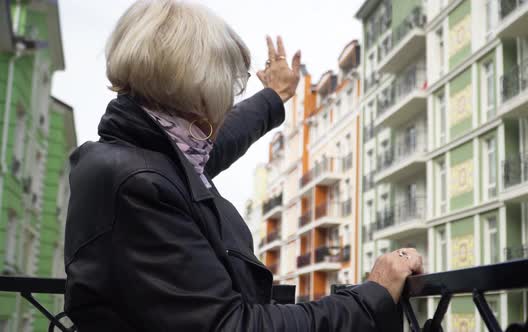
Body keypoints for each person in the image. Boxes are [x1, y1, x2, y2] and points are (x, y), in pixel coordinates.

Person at [64, 1, 424, 331]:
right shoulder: (140, 184)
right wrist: (370, 297)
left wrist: (274, 97)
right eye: (223, 91)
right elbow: (230, 326)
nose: (225, 106)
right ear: (199, 94)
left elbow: (219, 142)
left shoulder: (144, 153)